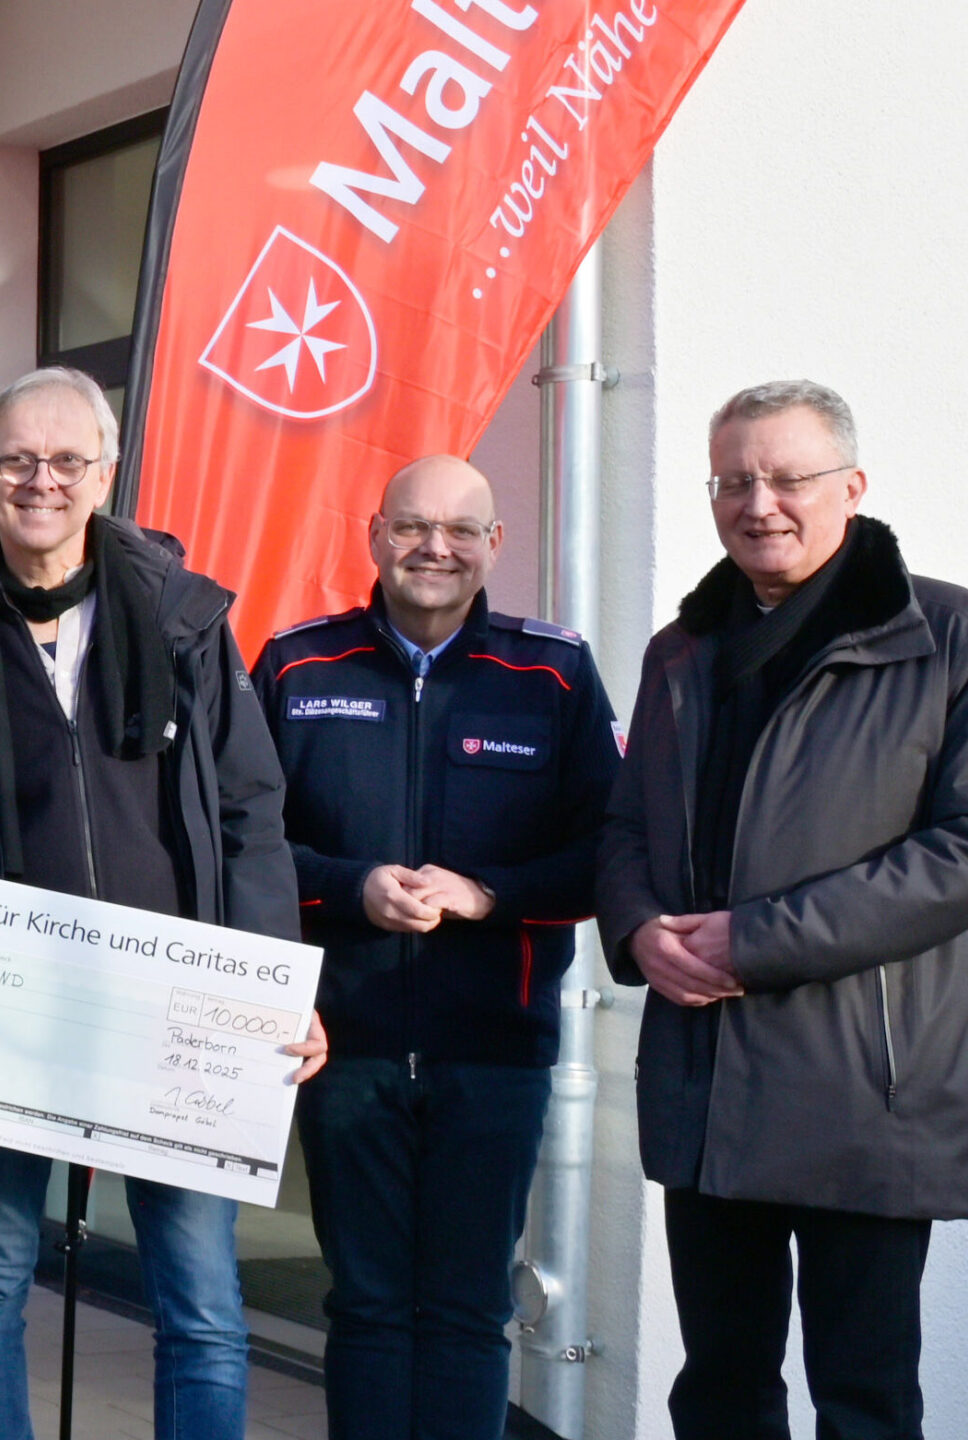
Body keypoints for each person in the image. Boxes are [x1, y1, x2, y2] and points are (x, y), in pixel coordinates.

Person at [0, 366, 323, 1440]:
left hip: (177, 1005)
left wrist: (273, 983)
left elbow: (249, 810)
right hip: (5, 1009)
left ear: (106, 472)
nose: (42, 481)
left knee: (199, 1297)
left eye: (66, 460)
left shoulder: (182, 617)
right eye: (17, 461)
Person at [597, 381, 968, 1440]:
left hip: (866, 1090)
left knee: (864, 1399)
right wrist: (639, 929)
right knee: (720, 1392)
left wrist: (755, 941)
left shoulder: (959, 637)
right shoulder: (681, 650)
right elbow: (624, 828)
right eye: (733, 480)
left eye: (788, 477)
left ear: (853, 485)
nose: (759, 504)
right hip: (707, 1086)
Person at [253, 455, 619, 1440]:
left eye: (461, 530)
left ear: (494, 544)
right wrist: (350, 885)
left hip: (495, 1050)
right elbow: (240, 843)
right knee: (367, 1306)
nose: (435, 548)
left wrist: (488, 895)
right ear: (374, 535)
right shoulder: (297, 666)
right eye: (412, 525)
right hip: (343, 1046)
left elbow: (608, 852)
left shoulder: (553, 673)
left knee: (467, 1311)